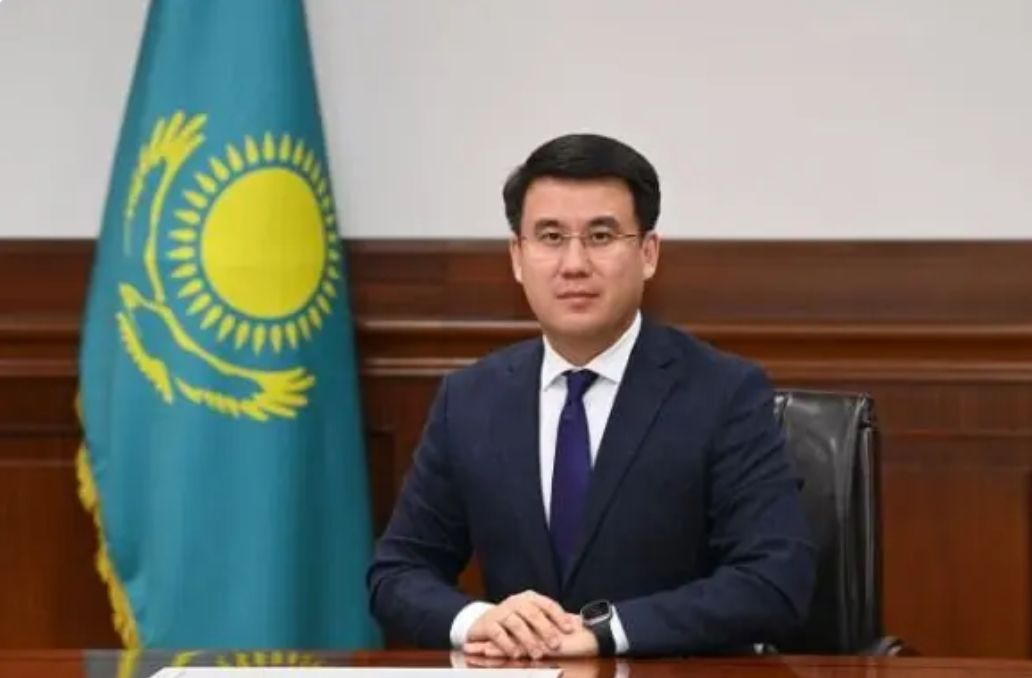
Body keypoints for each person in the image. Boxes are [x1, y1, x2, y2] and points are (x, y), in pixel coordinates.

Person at [366, 133, 817, 659]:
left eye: (601, 236)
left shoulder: (723, 393)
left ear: (648, 253)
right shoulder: (470, 399)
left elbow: (774, 579)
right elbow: (397, 573)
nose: (574, 263)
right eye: (550, 237)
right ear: (517, 257)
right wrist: (481, 621)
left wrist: (605, 631)